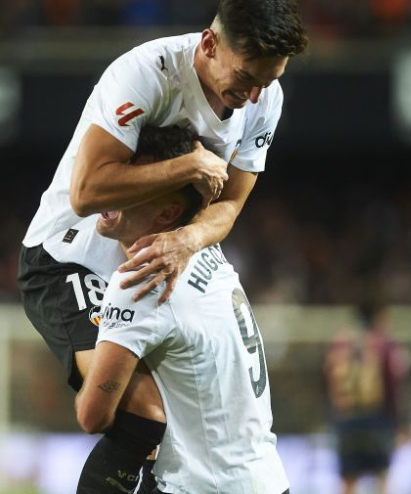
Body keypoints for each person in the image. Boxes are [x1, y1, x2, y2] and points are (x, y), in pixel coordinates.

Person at [17, 1, 307, 492]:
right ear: (211, 44)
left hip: (159, 251)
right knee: (141, 414)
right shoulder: (146, 74)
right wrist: (189, 166)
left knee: (184, 423)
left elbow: (230, 204)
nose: (253, 94)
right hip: (73, 256)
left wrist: (185, 239)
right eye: (245, 76)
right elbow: (86, 193)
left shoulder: (264, 99)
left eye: (268, 80)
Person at [76, 125, 289, 494]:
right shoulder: (208, 249)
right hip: (266, 479)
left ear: (168, 212)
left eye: (136, 185)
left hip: (207, 487)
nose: (115, 188)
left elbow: (93, 415)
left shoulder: (140, 282)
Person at [324, 299, 411, 494]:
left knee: (348, 482)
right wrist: (401, 422)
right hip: (375, 417)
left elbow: (326, 381)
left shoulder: (338, 343)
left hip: (346, 419)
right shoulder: (384, 343)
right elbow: (393, 384)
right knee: (382, 479)